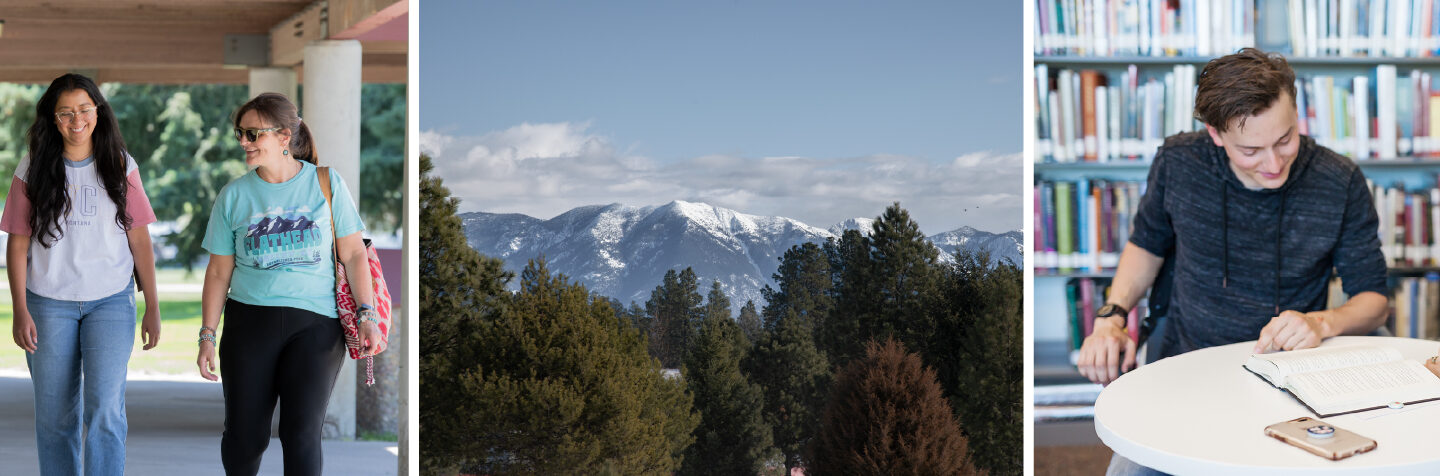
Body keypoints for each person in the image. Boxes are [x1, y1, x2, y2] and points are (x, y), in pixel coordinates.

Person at [1073, 48, 1393, 475]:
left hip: (1291, 382)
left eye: (1285, 139)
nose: (1274, 163)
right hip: (1185, 369)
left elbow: (1374, 300)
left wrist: (1322, 323)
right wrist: (1111, 317)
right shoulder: (1178, 162)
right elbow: (1146, 245)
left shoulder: (1340, 180)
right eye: (1251, 150)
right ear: (1215, 134)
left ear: (1296, 113)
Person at [195, 92, 383, 475]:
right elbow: (218, 273)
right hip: (250, 324)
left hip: (316, 326)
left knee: (301, 435)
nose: (244, 143)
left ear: (283, 136)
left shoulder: (326, 183)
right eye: (240, 134)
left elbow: (354, 254)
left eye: (252, 134)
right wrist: (207, 335)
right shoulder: (234, 196)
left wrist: (367, 313)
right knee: (245, 438)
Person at [3, 73, 161, 476]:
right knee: (55, 417)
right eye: (66, 112)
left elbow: (140, 240)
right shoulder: (32, 168)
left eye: (85, 109)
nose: (77, 119)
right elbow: (18, 244)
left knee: (105, 409)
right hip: (48, 302)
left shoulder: (120, 165)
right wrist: (20, 310)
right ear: (53, 119)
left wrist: (152, 308)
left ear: (98, 111)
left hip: (110, 300)